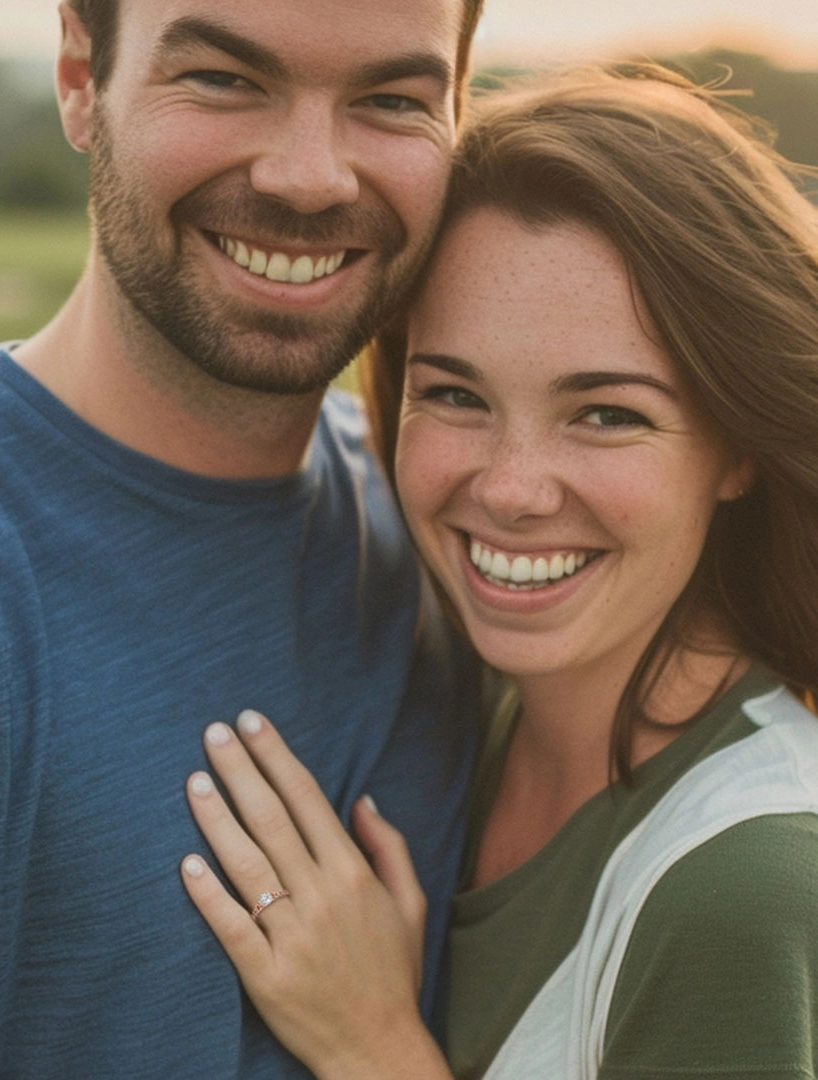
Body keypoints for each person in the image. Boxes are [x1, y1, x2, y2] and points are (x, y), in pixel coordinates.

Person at [0, 0, 486, 1076]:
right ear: (81, 77)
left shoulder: (450, 536)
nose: (311, 176)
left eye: (391, 100)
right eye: (226, 80)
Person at [179, 65, 818, 1079]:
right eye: (456, 395)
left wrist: (374, 1046)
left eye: (607, 414)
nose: (513, 490)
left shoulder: (743, 884)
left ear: (737, 446)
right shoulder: (463, 706)